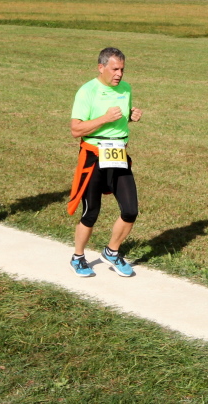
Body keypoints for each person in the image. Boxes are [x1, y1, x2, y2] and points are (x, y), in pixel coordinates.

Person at [67, 47, 143, 277]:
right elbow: (76, 129)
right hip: (93, 155)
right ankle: (78, 257)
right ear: (101, 67)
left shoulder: (126, 88)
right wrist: (105, 119)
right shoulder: (87, 91)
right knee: (91, 212)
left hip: (118, 154)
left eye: (122, 69)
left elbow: (121, 117)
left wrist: (131, 116)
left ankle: (112, 251)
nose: (119, 74)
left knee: (130, 210)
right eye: (115, 69)